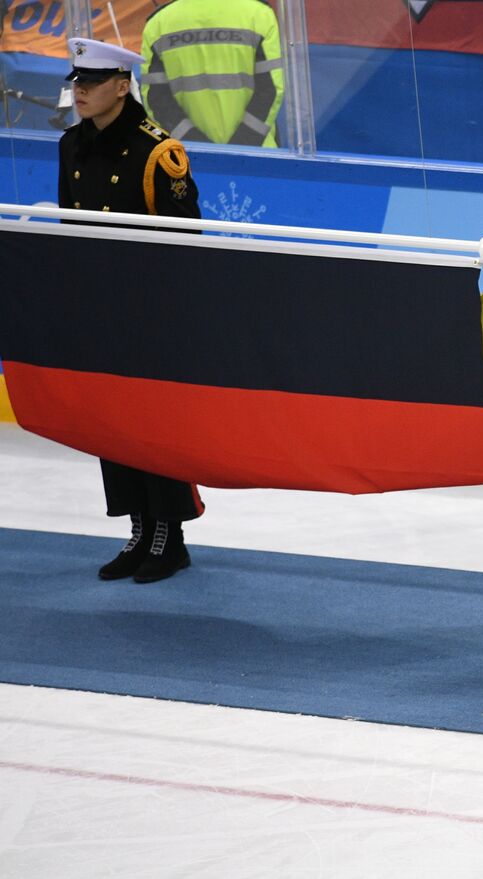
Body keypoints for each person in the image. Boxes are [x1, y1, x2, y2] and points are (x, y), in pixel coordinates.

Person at [57, 37, 203, 584]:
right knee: (111, 424)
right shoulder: (71, 145)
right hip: (99, 310)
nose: (81, 93)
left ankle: (170, 535)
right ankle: (139, 528)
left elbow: (188, 240)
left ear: (123, 86)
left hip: (151, 315)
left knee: (154, 426)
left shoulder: (158, 152)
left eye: (91, 84)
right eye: (77, 83)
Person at [141, 0, 285, 147]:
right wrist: (242, 145)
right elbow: (271, 90)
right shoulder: (259, 14)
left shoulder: (157, 24)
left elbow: (156, 100)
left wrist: (194, 144)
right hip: (257, 155)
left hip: (189, 156)